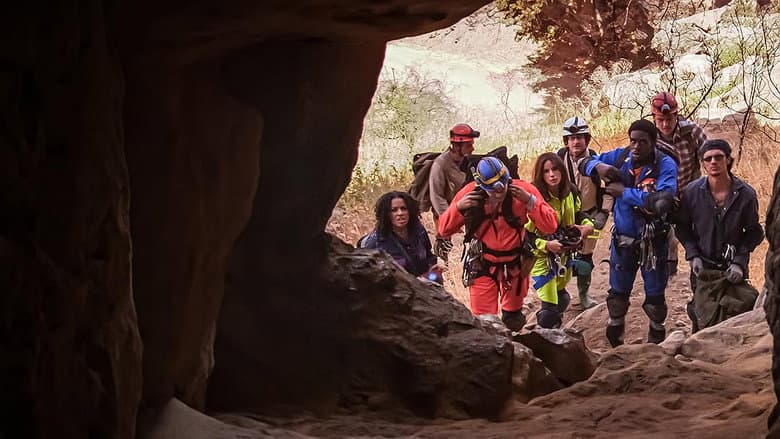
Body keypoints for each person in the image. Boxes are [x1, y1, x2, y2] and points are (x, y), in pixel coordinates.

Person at [578, 119, 678, 346]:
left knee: (655, 301)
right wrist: (598, 167)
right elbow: (583, 161)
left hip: (654, 242)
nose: (636, 146)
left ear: (654, 142)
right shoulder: (621, 157)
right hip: (623, 241)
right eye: (633, 141)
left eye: (643, 142)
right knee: (617, 297)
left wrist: (625, 193)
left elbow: (662, 201)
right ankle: (615, 339)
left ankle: (655, 343)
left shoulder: (665, 164)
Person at [437, 157, 558, 331]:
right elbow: (443, 229)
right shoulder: (470, 194)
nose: (500, 191)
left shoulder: (522, 191)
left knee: (513, 318)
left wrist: (530, 201)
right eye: (494, 189)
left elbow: (550, 226)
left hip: (514, 265)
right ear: (482, 186)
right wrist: (458, 208)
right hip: (482, 265)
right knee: (485, 323)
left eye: (503, 185)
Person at [676, 139, 764, 332]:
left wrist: (739, 262)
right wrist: (693, 255)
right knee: (702, 316)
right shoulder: (692, 192)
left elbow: (754, 232)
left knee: (735, 319)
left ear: (728, 160)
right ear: (703, 163)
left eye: (718, 157)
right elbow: (682, 227)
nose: (713, 162)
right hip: (703, 268)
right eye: (708, 159)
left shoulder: (746, 194)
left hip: (731, 269)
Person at [526, 153, 595, 328]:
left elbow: (578, 214)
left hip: (564, 256)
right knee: (549, 312)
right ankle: (546, 335)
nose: (552, 175)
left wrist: (587, 226)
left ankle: (552, 331)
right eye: (546, 171)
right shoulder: (534, 199)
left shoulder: (570, 191)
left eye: (555, 169)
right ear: (540, 175)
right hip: (542, 259)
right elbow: (525, 235)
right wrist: (546, 245)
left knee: (562, 298)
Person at [557, 116, 614, 309]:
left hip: (590, 216)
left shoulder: (597, 162)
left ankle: (583, 295)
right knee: (559, 256)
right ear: (566, 141)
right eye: (572, 138)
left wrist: (604, 213)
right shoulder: (558, 161)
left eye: (580, 137)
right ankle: (558, 294)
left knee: (585, 258)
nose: (576, 142)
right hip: (565, 217)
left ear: (587, 139)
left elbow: (609, 188)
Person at [651, 92, 707, 276]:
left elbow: (709, 157)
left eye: (669, 119)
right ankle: (667, 266)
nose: (665, 124)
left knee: (700, 233)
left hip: (691, 190)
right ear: (654, 118)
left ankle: (699, 272)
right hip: (663, 193)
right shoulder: (649, 138)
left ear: (676, 115)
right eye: (660, 120)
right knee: (664, 235)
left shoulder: (692, 131)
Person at [361, 191, 442, 282]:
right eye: (393, 210)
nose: (400, 213)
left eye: (404, 208)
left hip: (426, 286)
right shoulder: (375, 242)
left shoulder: (419, 231)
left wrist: (432, 270)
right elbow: (370, 277)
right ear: (386, 214)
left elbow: (429, 255)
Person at [428, 123, 479, 261]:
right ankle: (441, 267)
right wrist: (450, 217)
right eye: (469, 145)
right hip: (446, 210)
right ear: (456, 146)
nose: (472, 148)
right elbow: (437, 196)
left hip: (466, 207)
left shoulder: (470, 162)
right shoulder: (440, 164)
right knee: (443, 243)